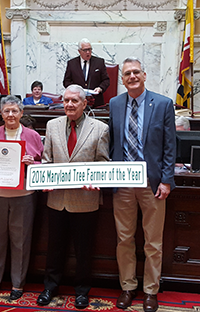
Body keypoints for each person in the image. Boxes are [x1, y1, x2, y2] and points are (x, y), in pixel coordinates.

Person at [109, 57, 176, 312]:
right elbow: (113, 143)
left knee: (153, 241)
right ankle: (128, 287)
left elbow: (170, 147)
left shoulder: (162, 104)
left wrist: (167, 181)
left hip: (153, 184)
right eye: (127, 73)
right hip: (122, 183)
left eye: (136, 72)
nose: (132, 76)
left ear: (144, 75)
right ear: (122, 79)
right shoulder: (114, 104)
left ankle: (150, 290)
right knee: (124, 239)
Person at [36, 84, 109, 309]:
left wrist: (96, 180)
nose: (69, 104)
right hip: (57, 199)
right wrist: (45, 180)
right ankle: (50, 287)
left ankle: (82, 291)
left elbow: (103, 162)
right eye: (66, 100)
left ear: (84, 103)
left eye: (74, 101)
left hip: (85, 200)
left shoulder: (100, 128)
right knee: (55, 247)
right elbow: (47, 160)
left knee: (84, 249)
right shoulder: (52, 125)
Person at [0, 95, 44, 301]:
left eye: (14, 111)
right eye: (6, 111)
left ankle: (17, 284)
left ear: (21, 113)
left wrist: (32, 164)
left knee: (21, 241)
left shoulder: (33, 136)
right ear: (1, 113)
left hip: (24, 195)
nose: (10, 115)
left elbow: (44, 163)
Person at [63, 38, 110, 107]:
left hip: (96, 102)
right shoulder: (72, 63)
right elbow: (66, 81)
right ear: (79, 51)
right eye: (85, 50)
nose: (88, 52)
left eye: (89, 49)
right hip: (77, 102)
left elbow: (106, 80)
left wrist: (100, 88)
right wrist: (75, 90)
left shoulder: (99, 62)